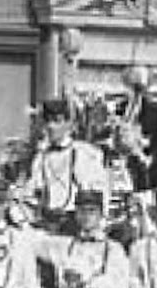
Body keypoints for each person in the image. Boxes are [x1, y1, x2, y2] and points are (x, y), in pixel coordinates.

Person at [23, 98, 106, 231]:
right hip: (46, 223)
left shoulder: (84, 153)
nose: (51, 126)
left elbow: (97, 193)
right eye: (48, 121)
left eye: (57, 121)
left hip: (74, 223)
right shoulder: (40, 158)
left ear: (69, 124)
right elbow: (31, 193)